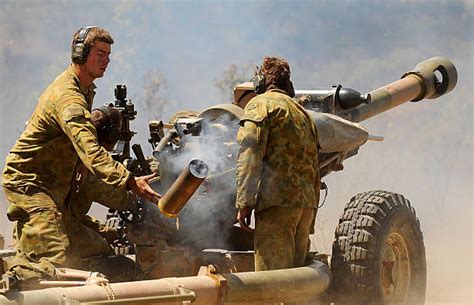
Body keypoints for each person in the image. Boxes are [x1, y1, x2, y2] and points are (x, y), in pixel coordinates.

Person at [2, 26, 160, 284]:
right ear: (80, 53)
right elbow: (92, 152)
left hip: (56, 187)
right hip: (31, 183)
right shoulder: (68, 98)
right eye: (99, 54)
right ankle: (16, 282)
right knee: (54, 255)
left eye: (108, 55)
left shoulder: (86, 90)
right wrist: (131, 181)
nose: (106, 60)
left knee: (96, 248)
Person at [235, 57, 320, 272]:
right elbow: (314, 165)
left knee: (271, 283)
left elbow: (250, 153)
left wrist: (244, 202)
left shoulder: (260, 104)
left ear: (261, 81)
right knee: (297, 281)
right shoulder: (303, 114)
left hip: (276, 206)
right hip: (305, 206)